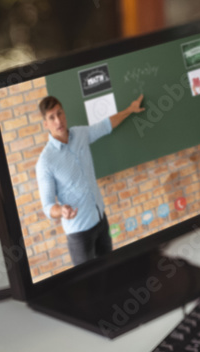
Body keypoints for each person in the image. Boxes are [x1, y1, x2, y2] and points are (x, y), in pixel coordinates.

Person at [35, 94, 145, 267]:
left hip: (101, 220)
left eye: (60, 113)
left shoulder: (80, 134)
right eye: (52, 117)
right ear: (46, 124)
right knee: (89, 285)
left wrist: (130, 110)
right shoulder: (45, 161)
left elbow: (105, 126)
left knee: (111, 273)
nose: (58, 120)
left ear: (64, 113)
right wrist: (61, 210)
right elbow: (48, 207)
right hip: (79, 233)